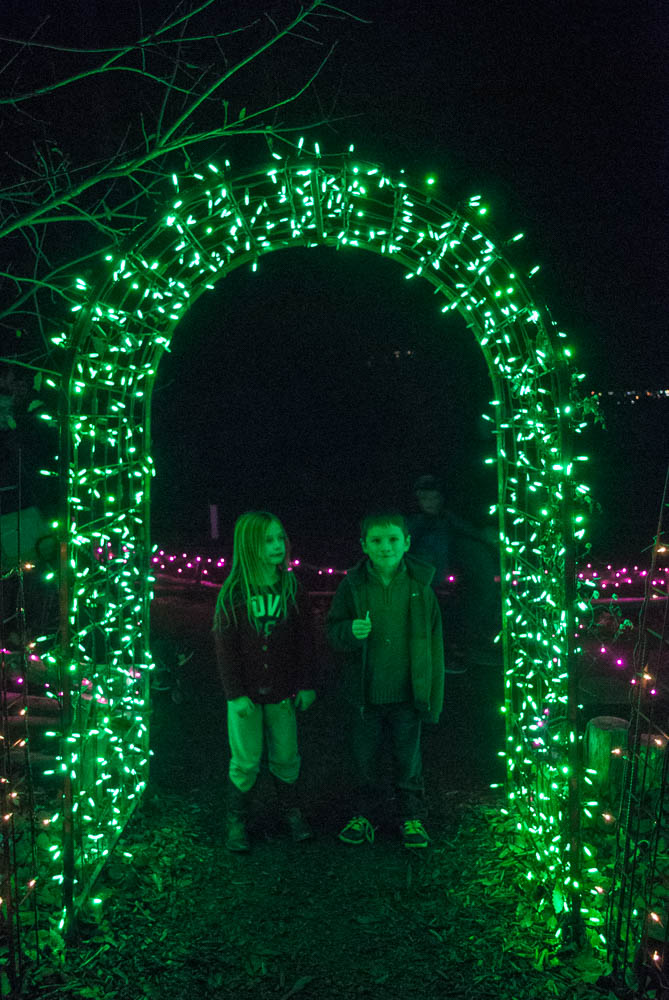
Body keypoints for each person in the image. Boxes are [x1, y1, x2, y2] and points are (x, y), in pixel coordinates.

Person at [326, 510, 444, 849]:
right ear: (364, 545)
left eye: (393, 539)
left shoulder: (420, 587)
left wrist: (432, 696)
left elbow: (434, 645)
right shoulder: (353, 585)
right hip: (366, 695)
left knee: (408, 759)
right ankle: (364, 815)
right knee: (364, 759)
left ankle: (411, 816)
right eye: (376, 540)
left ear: (406, 542)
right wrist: (350, 631)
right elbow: (333, 630)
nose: (385, 547)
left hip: (408, 694)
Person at [213, 511, 318, 852]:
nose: (277, 546)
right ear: (249, 546)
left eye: (279, 538)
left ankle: (291, 811)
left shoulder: (292, 589)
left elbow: (306, 641)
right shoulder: (234, 593)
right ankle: (237, 819)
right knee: (246, 760)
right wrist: (234, 693)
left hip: (283, 693)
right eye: (267, 540)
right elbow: (225, 648)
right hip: (244, 698)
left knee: (286, 755)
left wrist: (306, 683)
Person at [407, 474, 500, 668]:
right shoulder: (413, 523)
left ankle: (456, 652)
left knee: (450, 617)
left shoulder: (446, 519)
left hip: (439, 579)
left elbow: (469, 532)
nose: (430, 503)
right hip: (420, 582)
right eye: (425, 498)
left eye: (434, 498)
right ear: (418, 499)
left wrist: (489, 538)